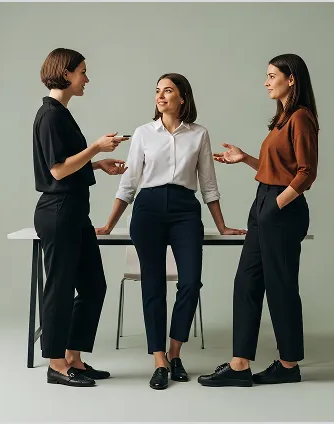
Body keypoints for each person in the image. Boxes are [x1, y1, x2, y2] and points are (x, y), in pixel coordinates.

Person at [96, 73, 245, 390]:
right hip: (148, 209)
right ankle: (159, 360)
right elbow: (130, 182)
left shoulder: (199, 134)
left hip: (184, 211)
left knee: (191, 282)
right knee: (153, 285)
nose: (160, 96)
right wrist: (109, 223)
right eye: (157, 91)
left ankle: (176, 354)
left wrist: (221, 225)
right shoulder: (143, 134)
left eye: (168, 91)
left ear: (183, 98)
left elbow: (208, 184)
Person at [198, 53, 319, 387]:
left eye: (271, 76)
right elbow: (278, 168)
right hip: (264, 202)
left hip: (282, 209)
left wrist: (276, 205)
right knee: (247, 282)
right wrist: (246, 158)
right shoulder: (282, 120)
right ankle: (240, 365)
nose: (266, 82)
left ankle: (289, 364)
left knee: (280, 287)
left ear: (290, 79)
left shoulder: (301, 118)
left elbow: (306, 174)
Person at [33, 48, 129, 387]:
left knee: (93, 286)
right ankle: (57, 365)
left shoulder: (60, 113)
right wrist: (96, 149)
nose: (87, 79)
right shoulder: (50, 115)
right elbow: (57, 170)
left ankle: (73, 358)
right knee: (59, 288)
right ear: (66, 73)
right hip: (58, 212)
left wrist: (97, 164)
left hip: (73, 212)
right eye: (83, 72)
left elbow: (66, 163)